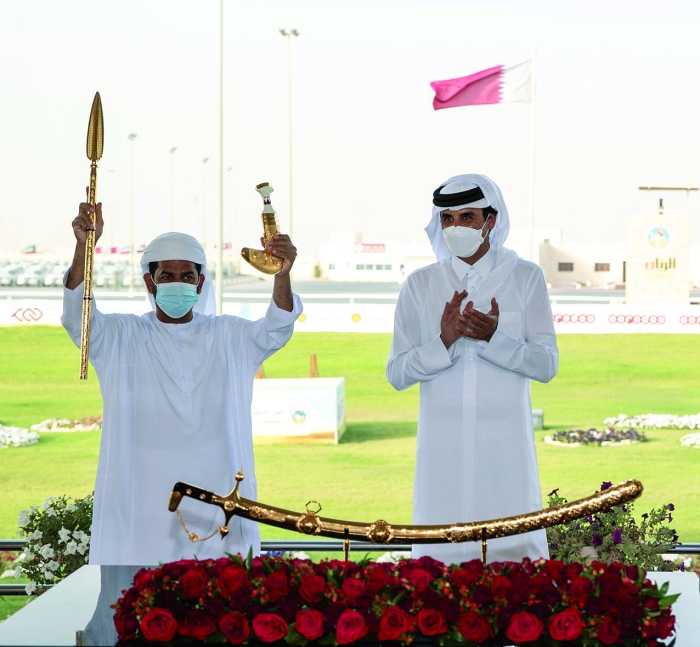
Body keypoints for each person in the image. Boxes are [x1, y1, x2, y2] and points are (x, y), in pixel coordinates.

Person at [63, 199, 302, 565]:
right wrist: (84, 246)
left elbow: (277, 327)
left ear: (200, 282)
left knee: (221, 595)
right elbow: (77, 314)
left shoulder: (227, 335)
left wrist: (282, 273)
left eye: (187, 277)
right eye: (168, 277)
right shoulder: (121, 335)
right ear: (150, 282)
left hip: (217, 493)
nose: (178, 284)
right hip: (140, 498)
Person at [386, 174, 558, 564]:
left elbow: (547, 364)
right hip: (440, 448)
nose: (456, 227)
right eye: (447, 219)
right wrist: (442, 342)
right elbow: (397, 373)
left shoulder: (525, 277)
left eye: (467, 217)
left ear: (490, 221)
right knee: (438, 565)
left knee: (513, 562)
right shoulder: (420, 285)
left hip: (506, 448)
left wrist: (496, 339)